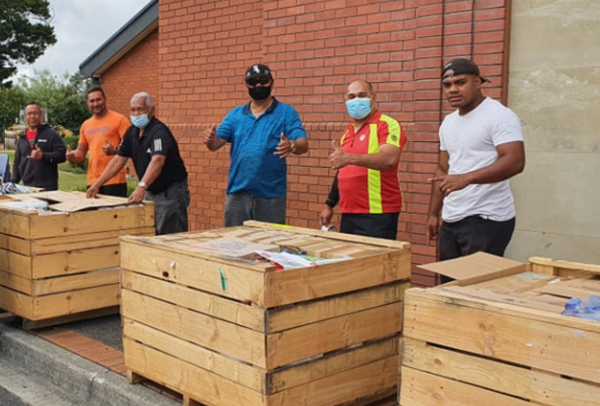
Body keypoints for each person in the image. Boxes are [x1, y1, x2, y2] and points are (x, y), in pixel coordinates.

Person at [427, 58, 525, 267]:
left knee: (475, 288)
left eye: (460, 83)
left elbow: (515, 160)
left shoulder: (498, 116)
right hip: (452, 217)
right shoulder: (449, 122)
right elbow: (442, 169)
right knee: (449, 287)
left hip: (487, 217)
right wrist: (434, 213)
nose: (453, 89)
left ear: (478, 82)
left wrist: (468, 178)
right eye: (447, 85)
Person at [203, 64, 309, 226]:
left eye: (263, 81)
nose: (258, 85)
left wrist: (292, 145)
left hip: (271, 197)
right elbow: (216, 143)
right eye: (253, 82)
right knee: (233, 245)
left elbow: (303, 144)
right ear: (246, 85)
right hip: (237, 194)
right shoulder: (235, 114)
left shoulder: (287, 113)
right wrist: (210, 141)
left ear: (272, 82)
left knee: (269, 246)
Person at [87, 92, 189, 235]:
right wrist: (97, 184)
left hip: (169, 192)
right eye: (133, 110)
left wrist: (141, 186)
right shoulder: (132, 132)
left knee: (169, 237)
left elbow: (158, 161)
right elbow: (118, 160)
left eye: (140, 109)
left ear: (151, 110)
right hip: (150, 190)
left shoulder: (159, 131)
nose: (136, 114)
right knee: (149, 232)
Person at [319, 80, 407, 239]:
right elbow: (342, 171)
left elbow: (389, 159)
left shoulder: (387, 124)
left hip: (377, 214)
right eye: (351, 97)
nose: (356, 100)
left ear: (373, 98)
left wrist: (349, 158)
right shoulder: (348, 130)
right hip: (348, 212)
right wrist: (329, 205)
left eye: (362, 95)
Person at [66, 87, 132, 197]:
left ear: (105, 99)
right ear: (88, 103)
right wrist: (73, 156)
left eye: (98, 100)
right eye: (92, 101)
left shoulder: (120, 120)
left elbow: (131, 148)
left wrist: (114, 151)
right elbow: (81, 153)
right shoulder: (86, 125)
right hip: (92, 181)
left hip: (114, 181)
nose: (95, 104)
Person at [12, 102, 66, 191]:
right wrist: (13, 184)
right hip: (28, 187)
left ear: (40, 116)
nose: (33, 116)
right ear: (25, 117)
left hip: (48, 188)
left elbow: (62, 156)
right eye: (29, 113)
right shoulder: (21, 138)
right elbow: (17, 163)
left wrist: (43, 156)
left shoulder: (51, 134)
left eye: (35, 113)